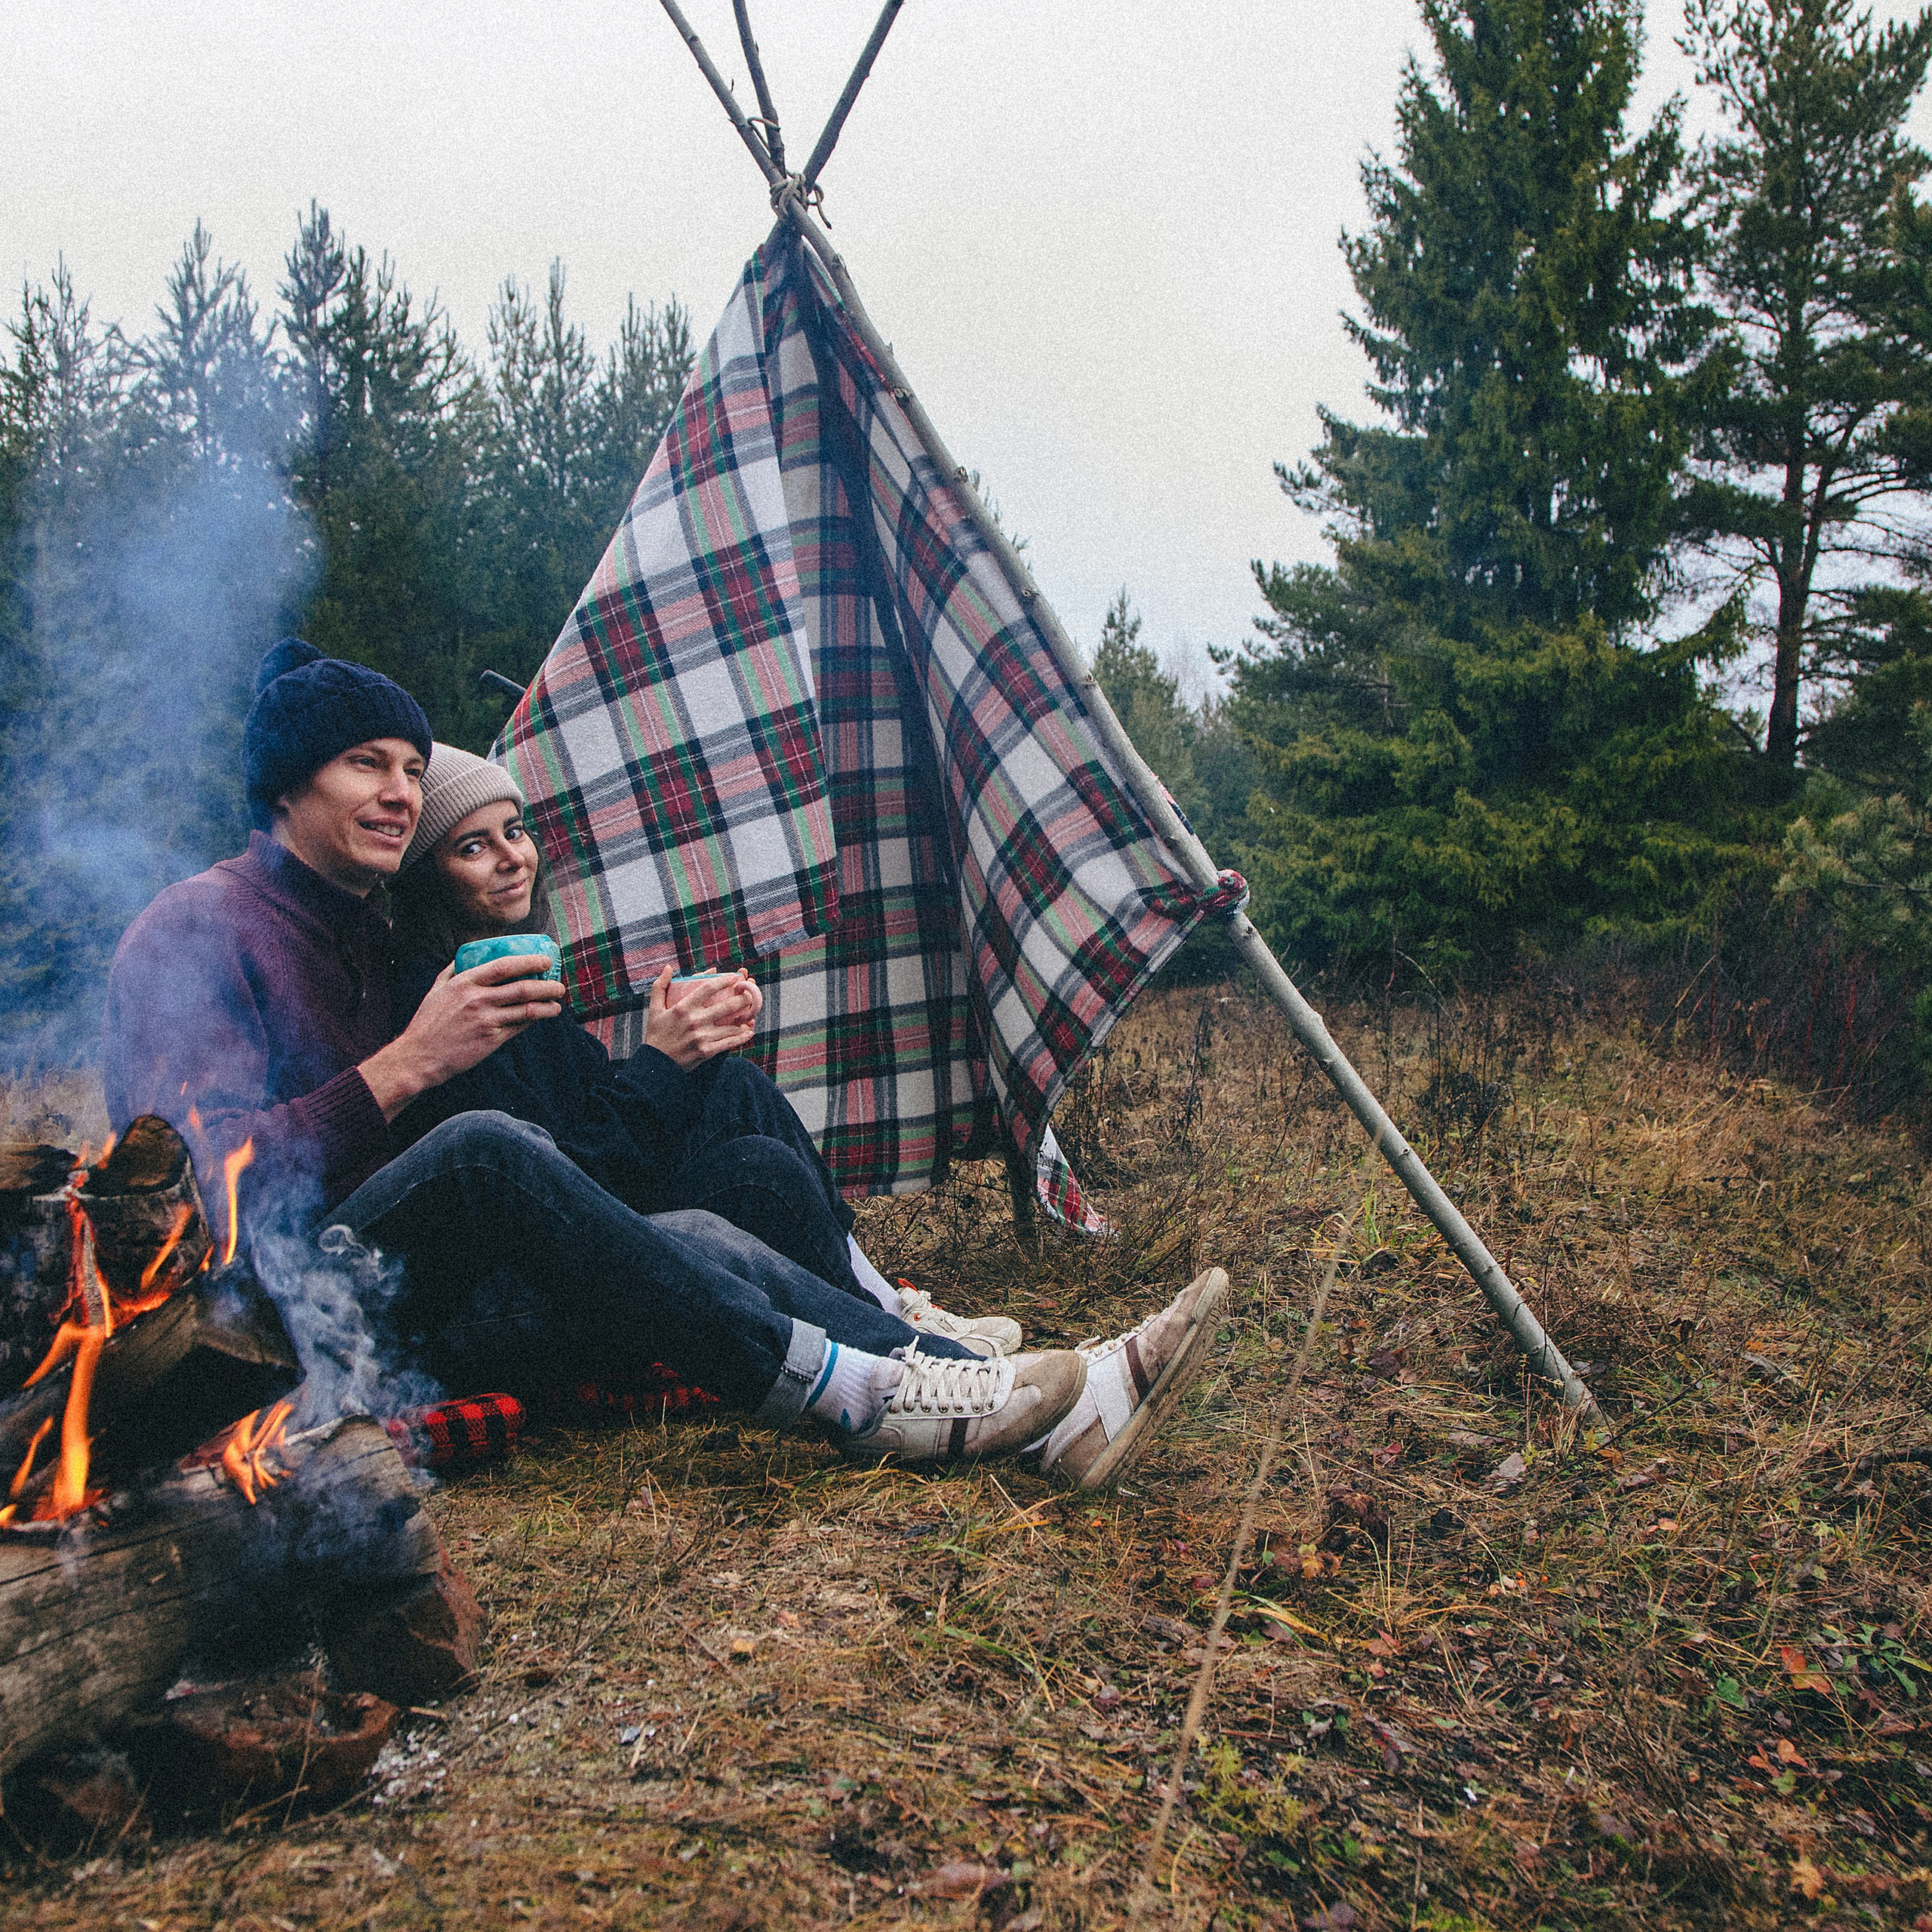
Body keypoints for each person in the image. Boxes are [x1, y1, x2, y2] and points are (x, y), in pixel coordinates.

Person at [101, 638, 1226, 1483]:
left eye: (409, 766)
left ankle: (1005, 1404)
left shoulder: (374, 933)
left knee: (693, 1227)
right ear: (288, 785)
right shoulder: (201, 931)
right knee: (487, 1148)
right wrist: (406, 1067)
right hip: (265, 1327)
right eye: (365, 765)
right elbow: (186, 1192)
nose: (398, 792)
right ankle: (860, 1398)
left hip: (414, 1305)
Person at [384, 744, 1015, 1356]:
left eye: (514, 832)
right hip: (552, 1267)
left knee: (731, 1084)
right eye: (473, 846)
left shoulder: (518, 971)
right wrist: (659, 1064)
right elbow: (569, 1182)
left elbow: (585, 1109)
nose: (511, 857)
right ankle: (894, 1344)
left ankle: (884, 1304)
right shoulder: (442, 1007)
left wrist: (684, 1044)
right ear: (425, 879)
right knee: (756, 1172)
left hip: (598, 1210)